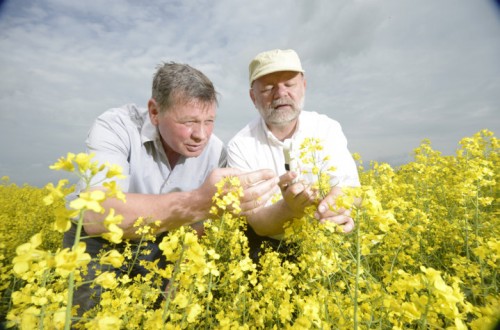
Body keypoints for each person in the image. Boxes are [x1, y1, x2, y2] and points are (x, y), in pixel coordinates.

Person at [63, 62, 278, 315]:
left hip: (169, 243)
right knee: (90, 317)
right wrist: (199, 201)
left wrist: (179, 273)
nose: (201, 135)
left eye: (209, 121)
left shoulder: (217, 151)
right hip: (99, 242)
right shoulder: (116, 127)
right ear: (155, 112)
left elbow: (201, 227)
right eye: (189, 121)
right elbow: (97, 215)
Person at [227, 49, 361, 258]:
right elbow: (258, 223)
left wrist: (329, 209)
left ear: (303, 87)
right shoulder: (240, 145)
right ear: (253, 97)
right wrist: (290, 209)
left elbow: (350, 188)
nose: (280, 93)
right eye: (268, 88)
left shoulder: (326, 128)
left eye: (289, 84)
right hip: (268, 250)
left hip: (326, 241)